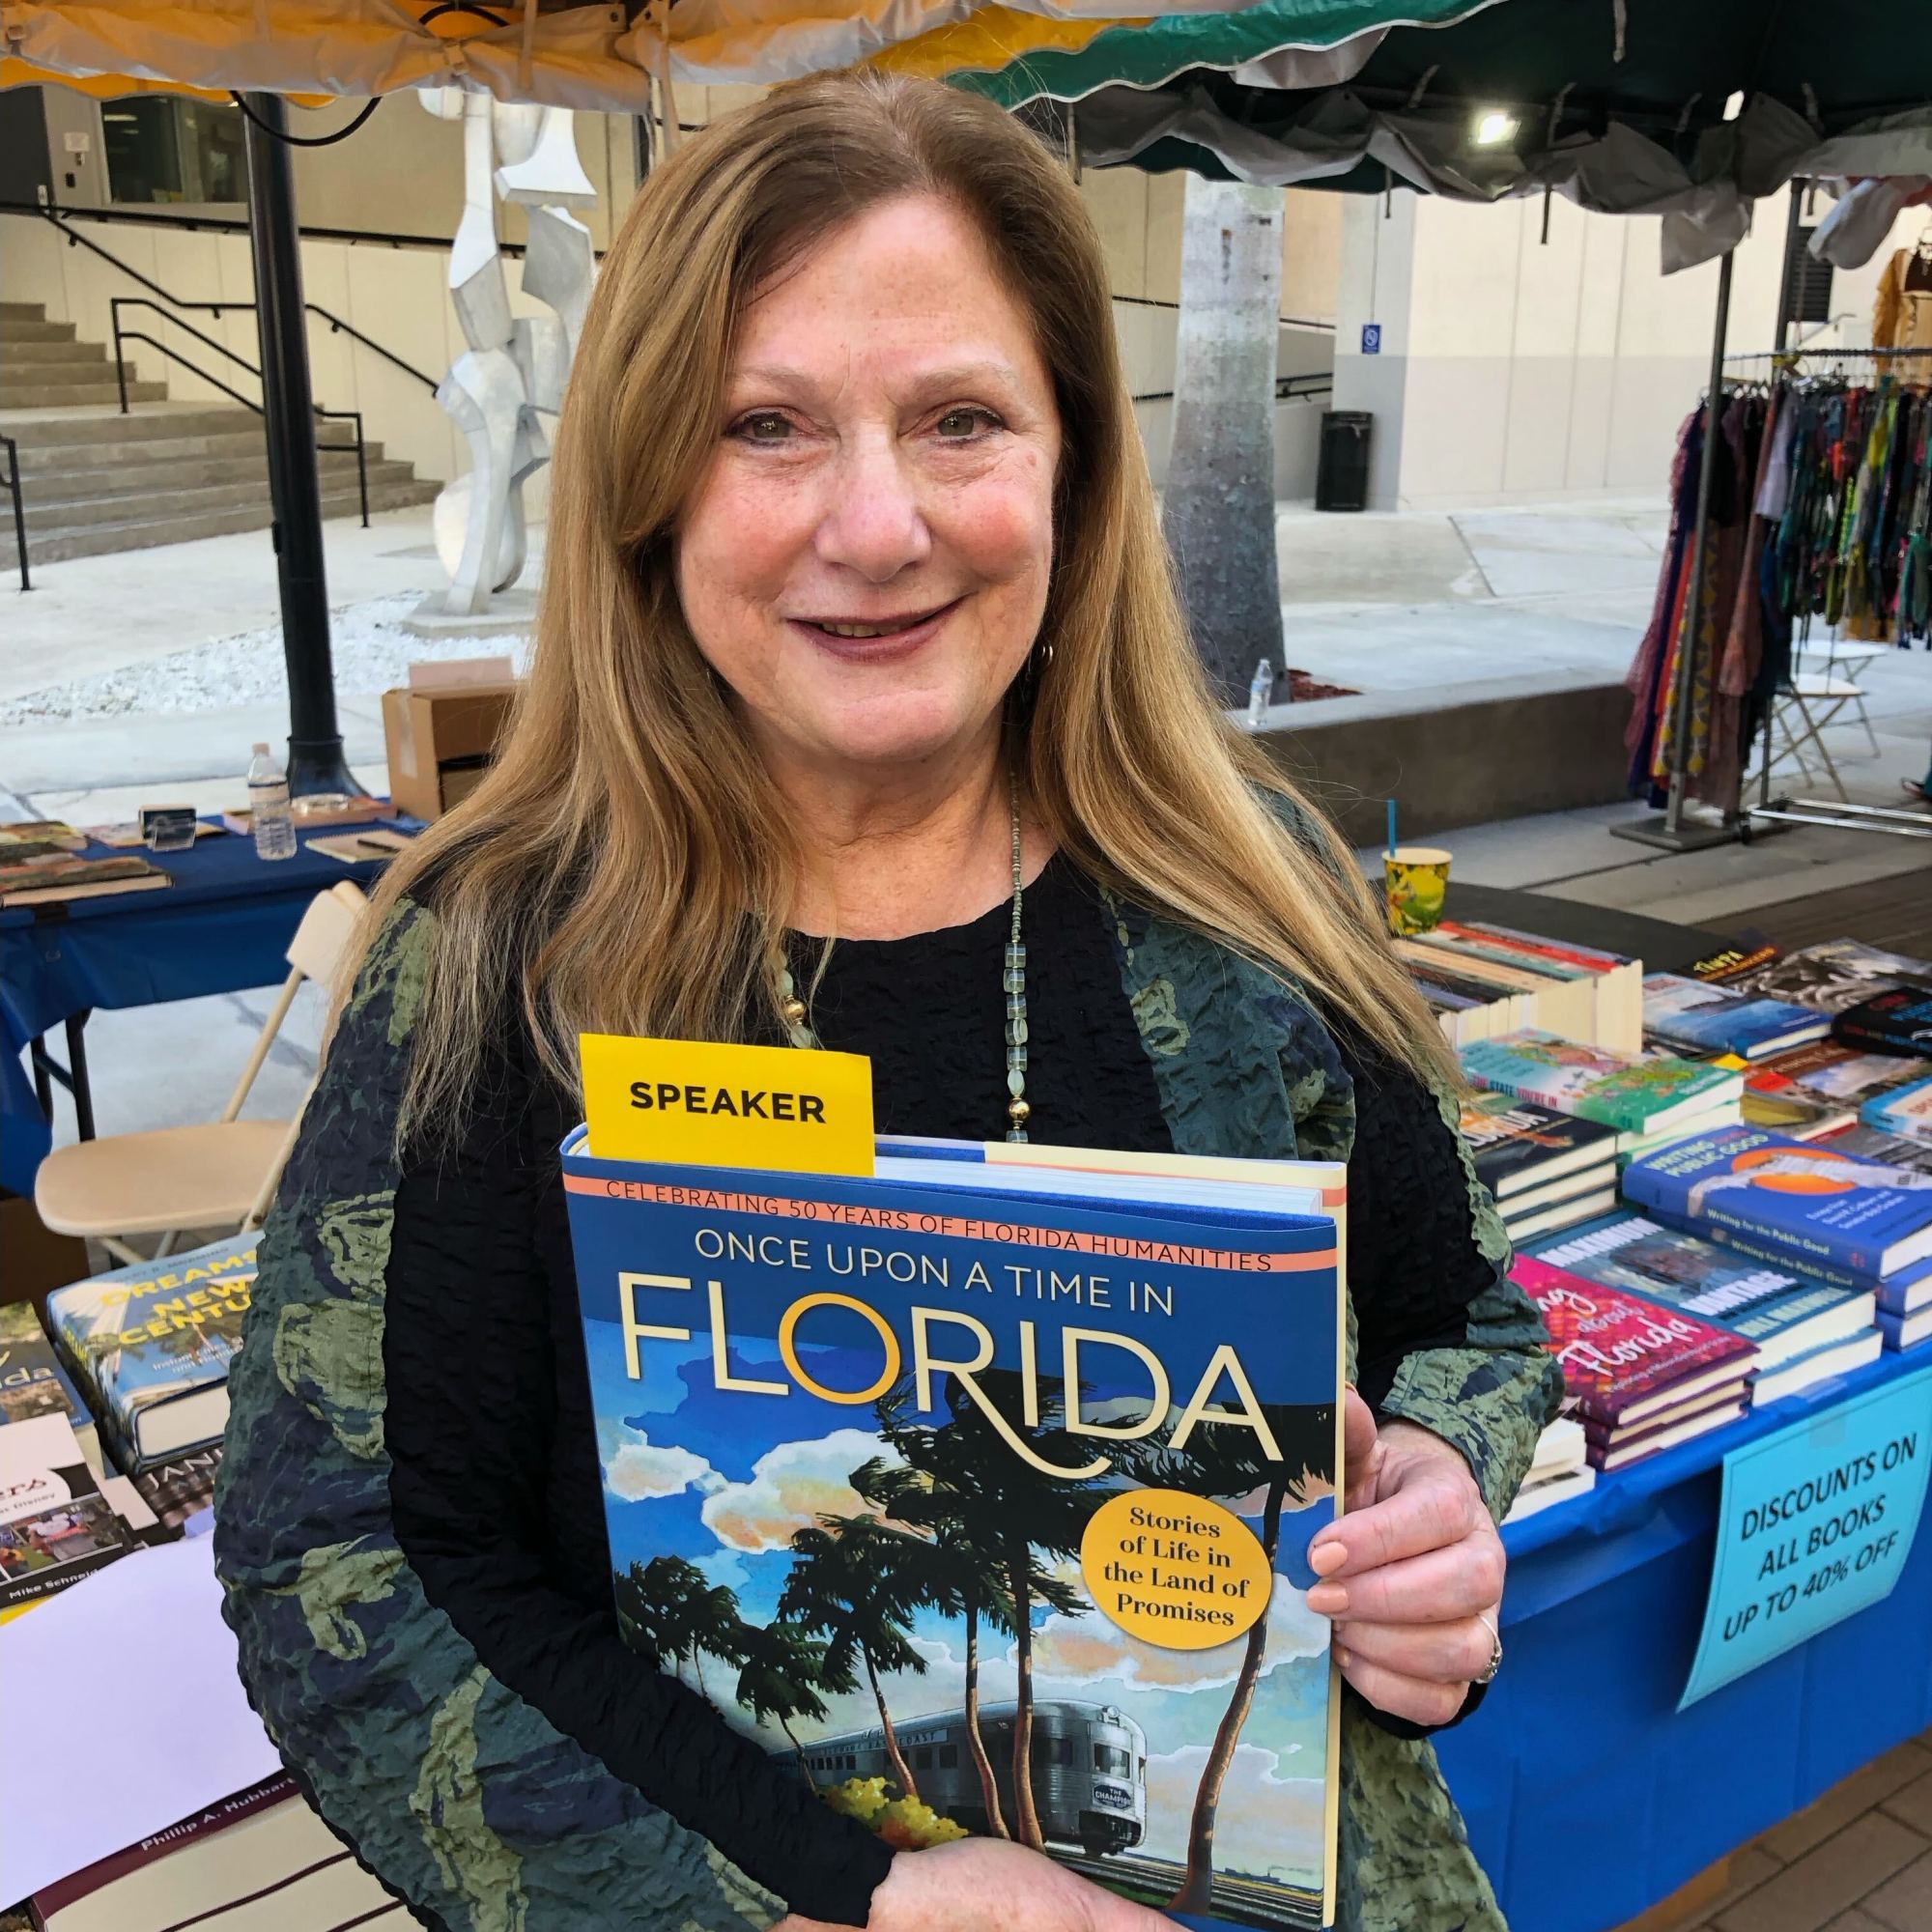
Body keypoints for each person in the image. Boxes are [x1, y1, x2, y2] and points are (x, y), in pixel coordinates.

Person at [215, 70, 1561, 1932]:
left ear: (1073, 464)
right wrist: (850, 1901)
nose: (875, 526)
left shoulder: (1246, 893)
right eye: (765, 426)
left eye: (960, 420)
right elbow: (344, 1575)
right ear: (646, 490)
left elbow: (1464, 1322)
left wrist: (1432, 1532)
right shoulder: (497, 957)